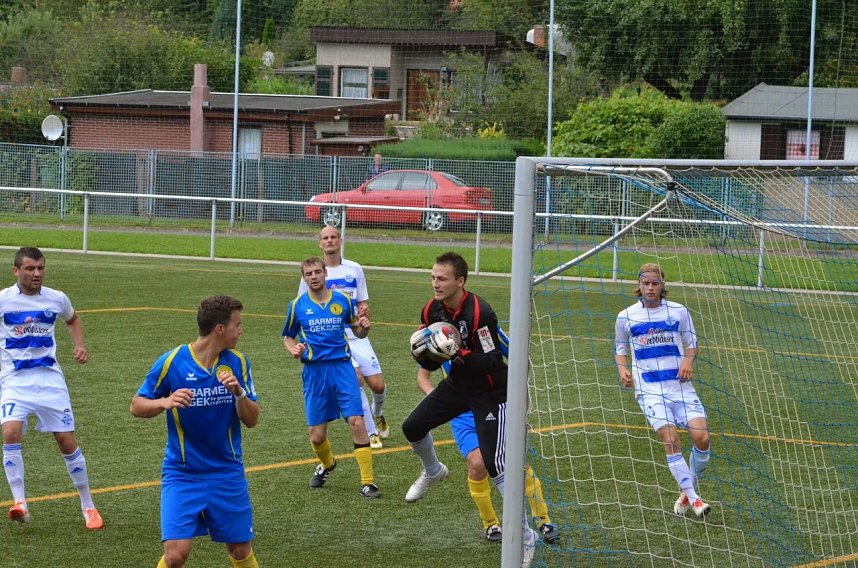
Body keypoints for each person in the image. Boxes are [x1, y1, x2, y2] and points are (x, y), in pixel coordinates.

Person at [402, 251, 537, 563]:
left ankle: (525, 536)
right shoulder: (431, 309)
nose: (435, 283)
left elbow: (492, 361)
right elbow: (431, 362)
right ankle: (433, 470)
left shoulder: (480, 313)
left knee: (494, 464)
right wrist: (423, 352)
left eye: (442, 278)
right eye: (433, 277)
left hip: (490, 392)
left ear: (460, 281)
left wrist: (457, 352)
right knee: (412, 427)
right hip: (458, 386)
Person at [130, 295, 260, 568]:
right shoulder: (172, 361)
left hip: (226, 472)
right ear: (220, 329)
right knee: (175, 555)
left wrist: (239, 393)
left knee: (239, 551)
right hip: (183, 474)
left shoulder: (238, 362)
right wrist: (164, 402)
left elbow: (252, 419)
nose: (241, 330)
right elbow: (136, 405)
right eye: (237, 324)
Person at [0, 246, 103, 529]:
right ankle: (20, 503)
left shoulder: (56, 298)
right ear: (16, 271)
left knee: (66, 441)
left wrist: (80, 345)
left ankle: (88, 505)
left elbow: (73, 319)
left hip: (50, 380)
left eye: (41, 268)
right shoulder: (3, 300)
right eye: (30, 268)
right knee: (10, 432)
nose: (37, 273)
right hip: (15, 381)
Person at [614, 263, 712, 518]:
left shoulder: (679, 312)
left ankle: (687, 490)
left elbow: (692, 344)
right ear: (639, 285)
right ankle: (695, 500)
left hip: (680, 387)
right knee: (671, 440)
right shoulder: (626, 316)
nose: (650, 288)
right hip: (649, 390)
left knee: (702, 438)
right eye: (645, 283)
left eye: (655, 283)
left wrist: (688, 361)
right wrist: (622, 370)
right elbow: (620, 350)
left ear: (662, 286)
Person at [283, 256, 380, 499]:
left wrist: (365, 327)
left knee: (356, 421)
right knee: (317, 437)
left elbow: (357, 330)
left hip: (342, 368)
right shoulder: (296, 306)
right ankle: (327, 464)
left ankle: (368, 482)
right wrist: (293, 349)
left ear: (325, 273)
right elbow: (288, 336)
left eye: (317, 272)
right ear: (304, 278)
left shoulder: (343, 300)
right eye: (308, 274)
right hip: (314, 373)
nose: (314, 277)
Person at [298, 226, 390, 450]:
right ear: (320, 243)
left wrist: (364, 310)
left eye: (333, 237)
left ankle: (377, 412)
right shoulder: (314, 272)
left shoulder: (354, 269)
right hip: (335, 340)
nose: (329, 241)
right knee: (356, 379)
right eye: (325, 238)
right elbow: (303, 306)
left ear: (340, 241)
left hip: (357, 334)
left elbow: (361, 302)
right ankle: (371, 433)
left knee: (378, 385)